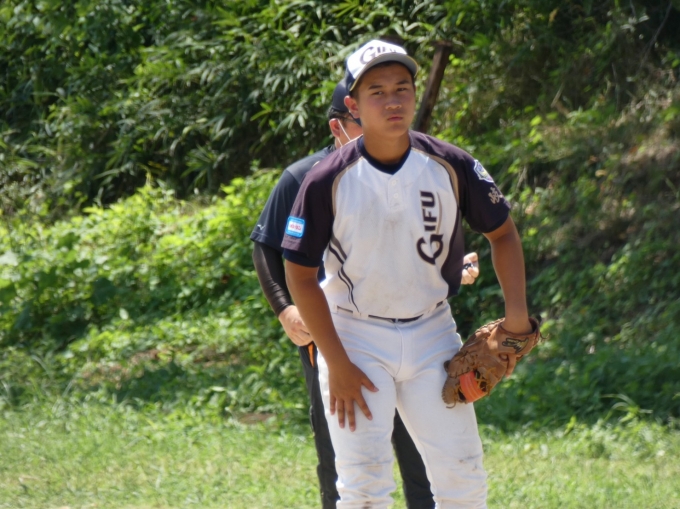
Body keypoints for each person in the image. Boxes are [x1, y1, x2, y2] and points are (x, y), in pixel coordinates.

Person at [282, 39, 534, 508]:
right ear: (353, 105)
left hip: (431, 331)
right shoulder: (325, 179)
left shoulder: (451, 164)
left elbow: (503, 233)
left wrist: (517, 319)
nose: (392, 101)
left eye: (402, 88)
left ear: (415, 95)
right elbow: (297, 275)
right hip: (354, 335)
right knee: (363, 488)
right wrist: (337, 362)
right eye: (376, 92)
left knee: (464, 478)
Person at [251, 76, 480, 509]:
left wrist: (453, 267)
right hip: (339, 330)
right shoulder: (308, 177)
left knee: (423, 456)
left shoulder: (410, 169)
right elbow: (267, 246)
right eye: (362, 115)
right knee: (348, 461)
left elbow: (420, 245)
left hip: (418, 333)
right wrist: (285, 309)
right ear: (340, 123)